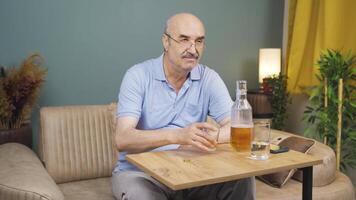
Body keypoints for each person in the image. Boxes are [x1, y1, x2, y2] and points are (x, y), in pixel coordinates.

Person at [112, 12, 255, 200]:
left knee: (242, 178)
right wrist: (178, 136)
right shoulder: (137, 76)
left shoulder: (208, 78)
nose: (193, 49)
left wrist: (211, 136)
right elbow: (123, 139)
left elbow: (239, 126)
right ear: (166, 41)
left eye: (199, 41)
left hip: (192, 175)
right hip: (142, 175)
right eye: (184, 39)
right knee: (143, 195)